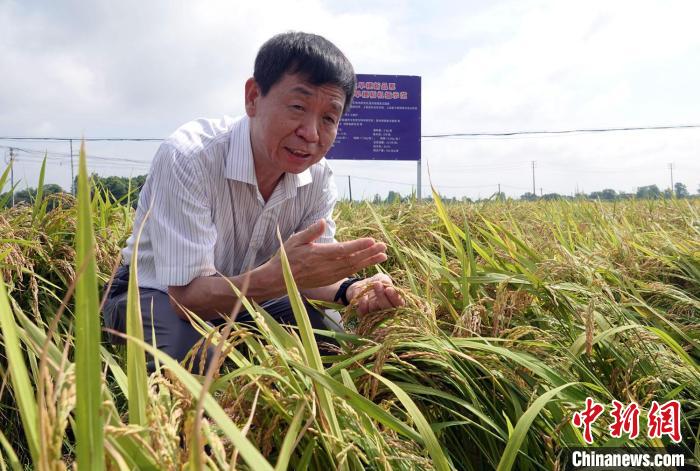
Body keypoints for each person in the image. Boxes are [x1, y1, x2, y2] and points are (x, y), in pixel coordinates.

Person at [102, 31, 404, 370]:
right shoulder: (189, 157)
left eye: (329, 118)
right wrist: (278, 278)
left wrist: (352, 289)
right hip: (155, 293)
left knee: (332, 343)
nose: (311, 133)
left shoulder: (317, 178)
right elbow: (186, 299)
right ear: (253, 98)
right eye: (298, 107)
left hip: (251, 294)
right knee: (198, 362)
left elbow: (309, 274)